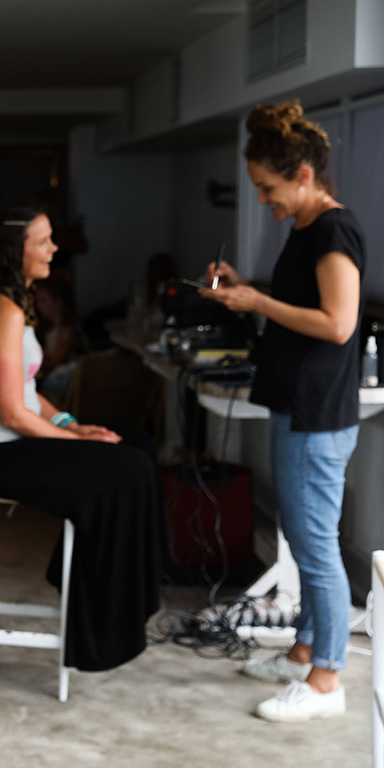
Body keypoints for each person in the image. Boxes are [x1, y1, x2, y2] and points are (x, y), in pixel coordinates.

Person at [199, 101, 367, 723]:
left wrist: (258, 305)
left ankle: (327, 680)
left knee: (316, 545)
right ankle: (303, 652)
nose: (264, 201)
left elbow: (338, 323)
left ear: (301, 174)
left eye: (268, 189)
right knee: (302, 539)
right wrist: (250, 291)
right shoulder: (305, 229)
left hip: (319, 411)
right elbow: (304, 307)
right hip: (298, 402)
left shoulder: (332, 230)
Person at [0, 206, 163, 672]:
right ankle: (101, 624)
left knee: (137, 443)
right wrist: (79, 441)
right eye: (42, 241)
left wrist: (71, 425)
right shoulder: (0, 308)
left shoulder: (12, 303)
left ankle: (118, 600)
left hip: (11, 440)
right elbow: (12, 413)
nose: (54, 249)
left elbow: (29, 393)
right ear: (14, 250)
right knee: (127, 467)